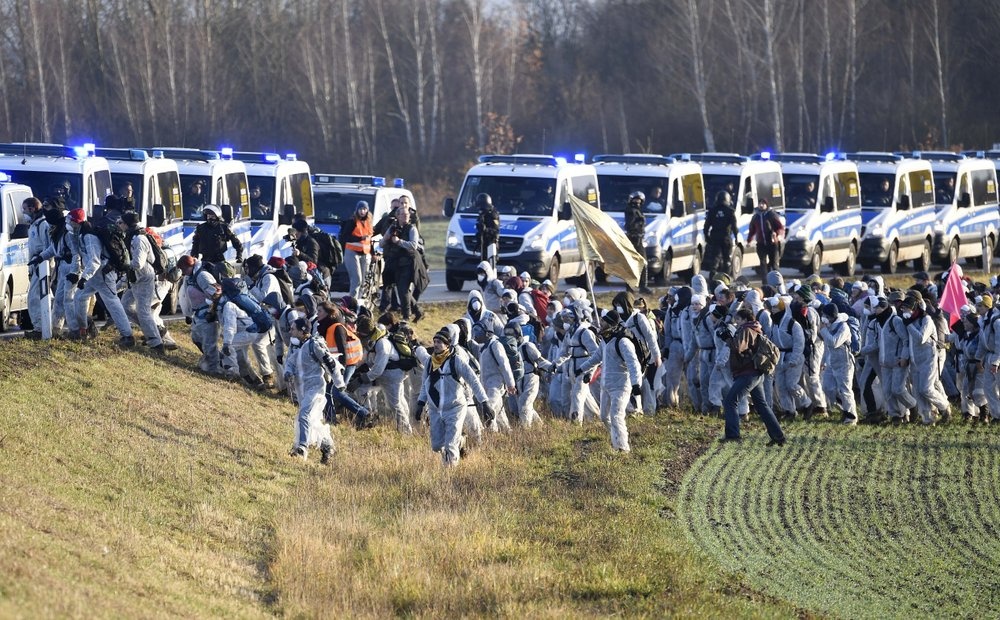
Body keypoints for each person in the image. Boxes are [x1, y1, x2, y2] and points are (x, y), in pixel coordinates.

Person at [415, 325, 492, 467]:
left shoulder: (456, 361)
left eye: (440, 342)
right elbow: (426, 384)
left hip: (455, 408)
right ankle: (461, 441)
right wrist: (421, 403)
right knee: (437, 446)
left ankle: (449, 476)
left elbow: (473, 380)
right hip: (435, 409)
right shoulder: (430, 363)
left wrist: (484, 402)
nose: (436, 345)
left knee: (450, 445)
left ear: (447, 345)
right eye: (435, 341)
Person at [716, 305, 786, 445]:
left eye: (738, 320)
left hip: (748, 373)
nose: (736, 323)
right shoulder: (755, 329)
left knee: (730, 401)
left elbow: (738, 347)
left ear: (744, 319)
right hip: (755, 372)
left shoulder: (747, 330)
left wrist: (727, 338)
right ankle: (779, 437)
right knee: (761, 405)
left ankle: (733, 435)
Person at [70, 211, 135, 346]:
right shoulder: (83, 234)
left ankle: (128, 336)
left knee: (112, 303)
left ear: (76, 222)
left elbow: (95, 260)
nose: (68, 223)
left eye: (69, 220)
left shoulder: (89, 236)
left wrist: (84, 277)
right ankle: (84, 329)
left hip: (102, 274)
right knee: (79, 298)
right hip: (95, 275)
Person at [585, 310, 642, 452]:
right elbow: (595, 358)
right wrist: (583, 370)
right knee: (604, 417)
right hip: (606, 385)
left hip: (621, 385)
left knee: (616, 416)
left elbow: (633, 364)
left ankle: (623, 448)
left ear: (610, 324)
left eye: (604, 321)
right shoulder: (605, 341)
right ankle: (616, 440)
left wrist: (636, 384)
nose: (600, 323)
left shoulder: (623, 342)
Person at [283, 317, 336, 464]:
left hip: (316, 388)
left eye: (293, 329)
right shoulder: (298, 346)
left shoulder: (314, 345)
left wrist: (339, 381)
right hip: (303, 390)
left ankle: (301, 448)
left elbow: (330, 362)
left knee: (304, 415)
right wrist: (287, 372)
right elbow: (291, 362)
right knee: (312, 420)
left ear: (302, 331)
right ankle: (327, 446)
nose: (290, 331)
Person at [121, 211, 164, 352]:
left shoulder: (139, 239)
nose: (119, 225)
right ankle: (152, 328)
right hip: (135, 277)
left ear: (127, 224)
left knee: (143, 311)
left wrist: (122, 264)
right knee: (126, 305)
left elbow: (138, 263)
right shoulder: (131, 236)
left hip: (144, 276)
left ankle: (156, 343)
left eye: (121, 223)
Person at [178, 255, 224, 375]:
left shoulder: (202, 276)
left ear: (189, 266)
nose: (183, 273)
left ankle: (215, 370)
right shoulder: (191, 276)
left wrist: (212, 312)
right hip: (199, 314)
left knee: (209, 344)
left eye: (183, 270)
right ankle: (220, 362)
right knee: (196, 338)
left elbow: (216, 294)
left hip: (208, 314)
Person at [818, 302, 858, 425]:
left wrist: (823, 330)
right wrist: (823, 361)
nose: (823, 317)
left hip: (844, 363)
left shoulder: (843, 327)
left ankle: (851, 418)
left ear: (831, 315)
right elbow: (826, 346)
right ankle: (844, 409)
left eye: (825, 315)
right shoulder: (828, 325)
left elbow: (834, 342)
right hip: (831, 362)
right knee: (827, 387)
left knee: (845, 390)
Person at [382, 206, 423, 322]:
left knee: (403, 290)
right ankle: (418, 311)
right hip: (395, 264)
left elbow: (413, 245)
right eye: (403, 215)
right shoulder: (393, 227)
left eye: (407, 215)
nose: (405, 216)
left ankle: (406, 316)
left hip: (407, 264)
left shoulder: (412, 229)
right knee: (402, 289)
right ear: (397, 216)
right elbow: (382, 243)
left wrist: (399, 242)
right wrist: (387, 239)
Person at [22, 197, 50, 338]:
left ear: (32, 209)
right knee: (36, 296)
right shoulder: (33, 225)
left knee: (35, 297)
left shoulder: (42, 225)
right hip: (36, 264)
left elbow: (48, 247)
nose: (24, 212)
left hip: (42, 264)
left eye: (25, 209)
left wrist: (43, 263)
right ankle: (41, 328)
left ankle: (40, 329)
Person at [340, 200, 373, 299]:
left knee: (363, 280)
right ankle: (352, 301)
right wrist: (359, 238)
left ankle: (360, 301)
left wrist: (373, 253)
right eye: (360, 209)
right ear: (357, 210)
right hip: (352, 252)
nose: (362, 211)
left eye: (364, 209)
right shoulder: (352, 222)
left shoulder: (368, 223)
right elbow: (345, 237)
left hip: (365, 253)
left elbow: (369, 240)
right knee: (356, 279)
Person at [702, 191, 738, 280]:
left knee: (715, 260)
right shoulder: (730, 211)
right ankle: (726, 279)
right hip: (726, 238)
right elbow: (734, 226)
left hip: (715, 237)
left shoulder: (712, 211)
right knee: (727, 260)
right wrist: (736, 237)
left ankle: (712, 279)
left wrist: (707, 237)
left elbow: (706, 226)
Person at [747, 199, 784, 279]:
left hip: (772, 243)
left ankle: (777, 282)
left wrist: (777, 235)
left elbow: (780, 227)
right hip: (761, 244)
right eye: (760, 203)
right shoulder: (755, 217)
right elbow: (752, 230)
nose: (761, 205)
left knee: (774, 264)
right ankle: (765, 283)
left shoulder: (771, 214)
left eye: (763, 203)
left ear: (767, 205)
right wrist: (749, 240)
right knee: (763, 264)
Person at [624, 191, 652, 294]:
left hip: (639, 240)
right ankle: (630, 287)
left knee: (643, 263)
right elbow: (630, 224)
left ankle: (643, 286)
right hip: (632, 240)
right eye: (635, 200)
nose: (637, 202)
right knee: (631, 264)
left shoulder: (639, 210)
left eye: (639, 200)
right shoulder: (630, 210)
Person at [475, 193, 500, 267]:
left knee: (490, 266)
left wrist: (486, 230)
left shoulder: (493, 215)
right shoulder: (482, 214)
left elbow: (496, 231)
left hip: (491, 243)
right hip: (483, 243)